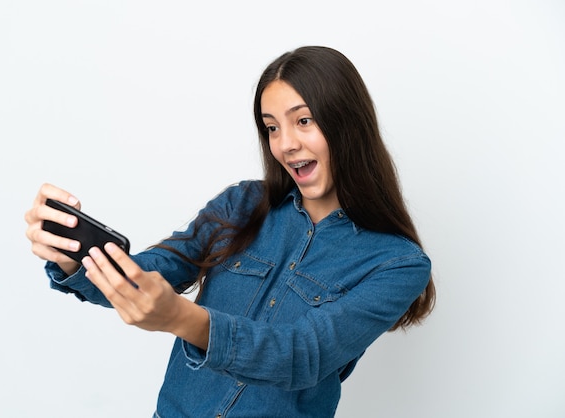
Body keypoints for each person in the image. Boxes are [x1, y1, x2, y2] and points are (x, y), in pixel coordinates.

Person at [25, 45, 436, 418]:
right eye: (271, 127)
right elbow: (152, 273)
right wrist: (73, 255)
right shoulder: (242, 205)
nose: (285, 144)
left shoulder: (397, 264)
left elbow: (302, 355)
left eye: (303, 121)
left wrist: (183, 319)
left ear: (349, 124)